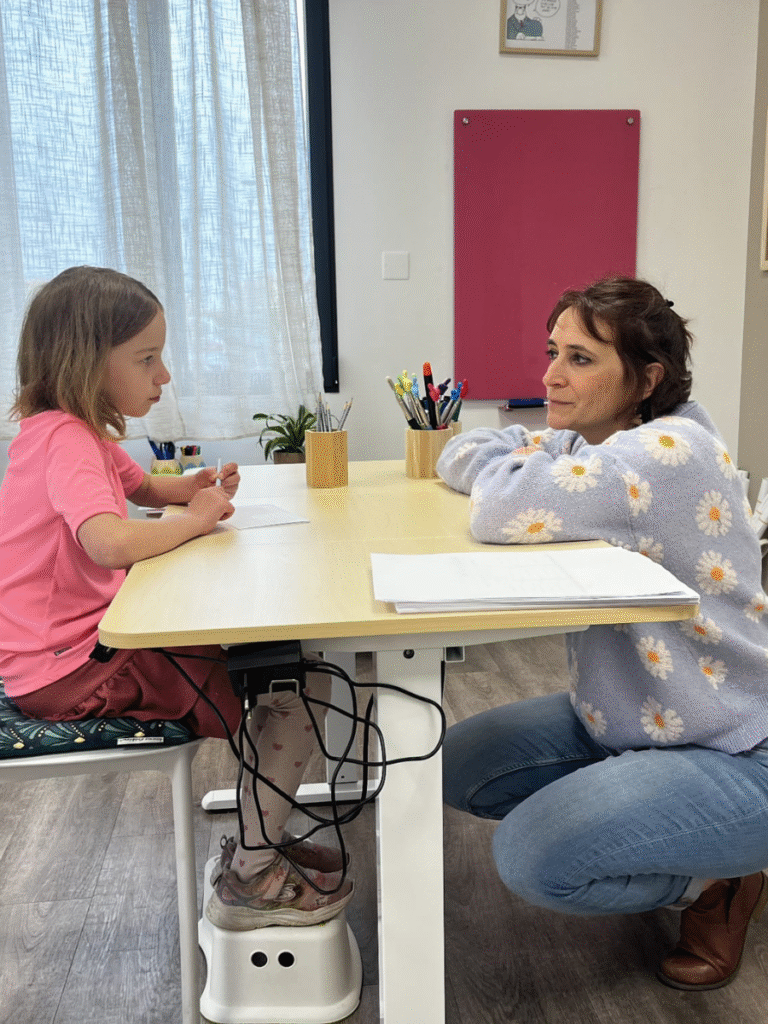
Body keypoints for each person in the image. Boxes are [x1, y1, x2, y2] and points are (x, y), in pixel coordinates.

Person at [436, 277, 768, 991]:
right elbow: (467, 450)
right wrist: (524, 457)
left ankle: (716, 879)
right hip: (643, 716)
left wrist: (518, 464)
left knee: (532, 858)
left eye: (581, 359)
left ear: (647, 378)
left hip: (742, 742)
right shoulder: (599, 437)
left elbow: (497, 504)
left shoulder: (666, 452)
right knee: (455, 764)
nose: (551, 375)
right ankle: (650, 816)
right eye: (553, 351)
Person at [0, 265, 352, 931]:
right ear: (85, 363)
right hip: (72, 670)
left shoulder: (66, 432)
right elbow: (107, 541)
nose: (163, 376)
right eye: (147, 358)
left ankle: (261, 837)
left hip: (61, 656)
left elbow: (144, 490)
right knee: (294, 685)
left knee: (274, 662)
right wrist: (198, 520)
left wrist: (190, 487)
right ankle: (253, 872)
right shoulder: (69, 441)